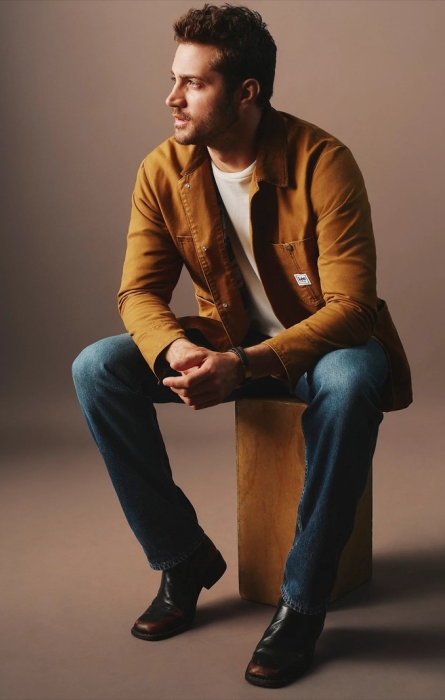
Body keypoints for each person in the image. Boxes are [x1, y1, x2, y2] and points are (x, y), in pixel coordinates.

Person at [72, 3, 412, 689]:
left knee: (351, 383)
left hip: (322, 350)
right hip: (226, 344)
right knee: (97, 368)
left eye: (193, 83)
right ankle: (183, 559)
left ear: (246, 92)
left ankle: (302, 601)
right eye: (174, 79)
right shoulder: (162, 171)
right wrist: (175, 350)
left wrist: (245, 365)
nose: (172, 98)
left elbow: (353, 309)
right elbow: (137, 294)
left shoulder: (324, 162)